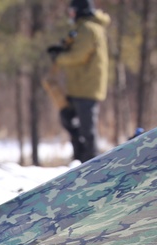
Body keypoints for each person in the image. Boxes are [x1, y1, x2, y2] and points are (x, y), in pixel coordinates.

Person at [47, 0, 110, 163]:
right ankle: (81, 158)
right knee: (68, 119)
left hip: (87, 89)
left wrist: (59, 58)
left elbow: (79, 55)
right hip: (78, 87)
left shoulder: (89, 29)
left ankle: (92, 163)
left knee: (87, 130)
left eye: (73, 11)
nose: (71, 15)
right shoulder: (81, 28)